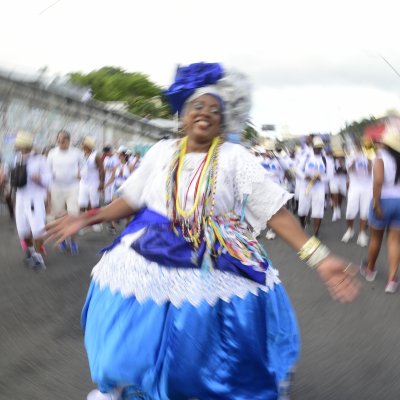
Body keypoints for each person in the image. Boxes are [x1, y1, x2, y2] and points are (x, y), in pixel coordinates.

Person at [46, 63, 359, 400]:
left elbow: (275, 213)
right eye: (197, 106)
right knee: (133, 340)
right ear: (182, 116)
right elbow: (131, 199)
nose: (205, 113)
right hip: (149, 251)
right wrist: (86, 218)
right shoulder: (161, 152)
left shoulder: (235, 157)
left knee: (200, 348)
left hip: (217, 255)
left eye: (214, 109)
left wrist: (320, 257)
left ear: (223, 122)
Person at [361, 128, 400, 293]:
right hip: (399, 202)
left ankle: (370, 270)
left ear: (385, 144)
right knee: (395, 241)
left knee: (375, 238)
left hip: (383, 200)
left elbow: (378, 181)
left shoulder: (380, 158)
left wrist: (376, 203)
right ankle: (392, 280)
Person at [13, 131, 51, 270]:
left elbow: (48, 179)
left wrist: (39, 178)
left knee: (37, 231)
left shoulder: (40, 159)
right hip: (20, 198)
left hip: (34, 199)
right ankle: (31, 254)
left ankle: (39, 258)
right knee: (23, 230)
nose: (21, 148)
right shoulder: (18, 158)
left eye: (23, 145)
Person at [47, 130, 83, 254]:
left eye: (63, 141)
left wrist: (81, 174)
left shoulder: (77, 153)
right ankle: (62, 240)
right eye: (58, 141)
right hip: (56, 188)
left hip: (73, 188)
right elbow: (47, 170)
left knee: (73, 215)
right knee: (58, 217)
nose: (60, 143)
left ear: (68, 140)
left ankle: (73, 241)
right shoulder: (52, 153)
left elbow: (85, 167)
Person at [341, 140, 372, 246]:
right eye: (356, 146)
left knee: (365, 212)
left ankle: (362, 234)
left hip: (367, 188)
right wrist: (354, 160)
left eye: (360, 146)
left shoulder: (369, 157)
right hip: (354, 187)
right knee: (350, 212)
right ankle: (350, 230)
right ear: (353, 148)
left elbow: (371, 172)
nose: (358, 148)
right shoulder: (349, 158)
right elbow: (349, 170)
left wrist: (369, 161)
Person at [297, 137, 328, 236]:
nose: (318, 149)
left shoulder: (325, 159)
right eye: (316, 147)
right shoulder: (306, 157)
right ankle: (302, 226)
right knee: (302, 209)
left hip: (319, 188)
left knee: (318, 210)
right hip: (305, 187)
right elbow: (297, 170)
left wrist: (321, 179)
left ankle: (316, 233)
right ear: (312, 147)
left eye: (320, 147)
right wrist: (305, 177)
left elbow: (330, 175)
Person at [79, 136, 105, 232]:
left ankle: (97, 222)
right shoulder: (81, 155)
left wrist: (102, 183)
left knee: (94, 204)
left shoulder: (96, 156)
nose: (82, 146)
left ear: (87, 145)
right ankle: (83, 224)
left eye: (83, 144)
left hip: (94, 183)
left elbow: (102, 170)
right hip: (83, 182)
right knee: (82, 204)